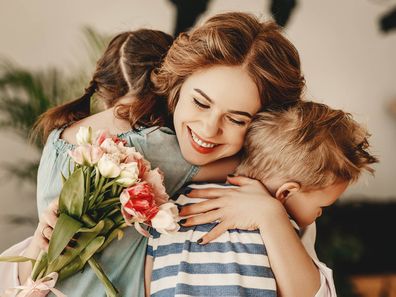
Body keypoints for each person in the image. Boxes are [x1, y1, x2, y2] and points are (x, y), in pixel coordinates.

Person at [0, 11, 328, 297]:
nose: (209, 129)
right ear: (175, 87)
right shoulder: (138, 154)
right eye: (200, 102)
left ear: (265, 123)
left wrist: (270, 215)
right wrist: (40, 243)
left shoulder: (270, 195)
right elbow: (25, 281)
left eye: (237, 118)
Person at [146, 101, 378, 296]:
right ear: (285, 192)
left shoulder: (176, 202)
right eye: (321, 206)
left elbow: (147, 272)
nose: (319, 214)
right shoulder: (284, 227)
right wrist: (273, 216)